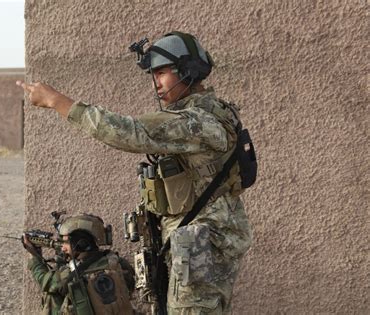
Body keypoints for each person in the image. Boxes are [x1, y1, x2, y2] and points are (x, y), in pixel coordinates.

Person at [18, 31, 254, 315]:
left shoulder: (197, 122)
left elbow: (128, 132)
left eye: (163, 72)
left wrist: (58, 101)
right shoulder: (207, 113)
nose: (156, 82)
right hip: (197, 240)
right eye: (153, 74)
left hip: (201, 245)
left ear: (188, 71)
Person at [23, 214, 135, 315]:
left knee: (52, 295)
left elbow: (45, 281)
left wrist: (35, 257)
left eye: (66, 243)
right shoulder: (116, 261)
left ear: (81, 244)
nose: (63, 248)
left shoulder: (71, 273)